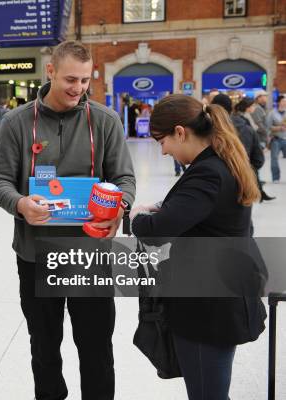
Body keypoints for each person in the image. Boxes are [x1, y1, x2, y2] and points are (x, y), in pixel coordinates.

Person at [0, 40, 135, 400]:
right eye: (71, 79)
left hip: (90, 254)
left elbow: (125, 179)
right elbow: (0, 181)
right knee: (44, 345)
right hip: (36, 253)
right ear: (50, 71)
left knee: (96, 347)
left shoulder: (104, 121)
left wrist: (120, 207)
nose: (78, 89)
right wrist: (21, 203)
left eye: (85, 81)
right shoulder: (17, 122)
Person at [130, 94, 266, 400]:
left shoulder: (206, 172)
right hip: (223, 293)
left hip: (208, 307)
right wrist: (165, 207)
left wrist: (137, 216)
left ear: (180, 132)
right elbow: (202, 213)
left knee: (207, 394)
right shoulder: (220, 162)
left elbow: (156, 231)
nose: (162, 151)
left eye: (161, 141)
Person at [266, 95, 286, 182]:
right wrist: (279, 128)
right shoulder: (272, 113)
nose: (285, 102)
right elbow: (268, 126)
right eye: (283, 101)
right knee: (274, 158)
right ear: (279, 102)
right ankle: (275, 178)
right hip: (276, 139)